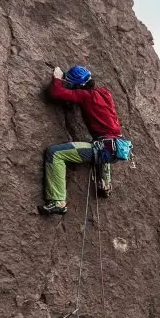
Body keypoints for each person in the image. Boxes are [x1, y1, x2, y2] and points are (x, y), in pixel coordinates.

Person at [38, 65, 122, 215]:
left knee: (55, 153)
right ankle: (105, 183)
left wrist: (57, 79)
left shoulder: (85, 95)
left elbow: (56, 92)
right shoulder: (105, 92)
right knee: (102, 146)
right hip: (116, 146)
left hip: (103, 147)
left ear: (78, 85)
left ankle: (58, 202)